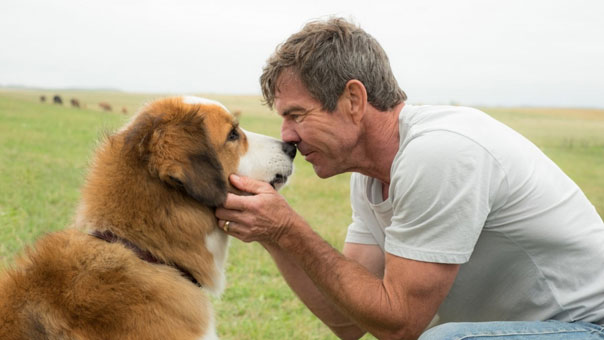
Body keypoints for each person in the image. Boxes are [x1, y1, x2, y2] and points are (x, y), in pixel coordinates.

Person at [215, 17, 604, 340]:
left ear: (354, 100)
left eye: (297, 115)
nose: (286, 136)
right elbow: (347, 321)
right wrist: (273, 235)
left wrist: (289, 229)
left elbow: (400, 324)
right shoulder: (370, 178)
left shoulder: (440, 152)